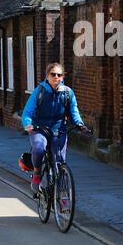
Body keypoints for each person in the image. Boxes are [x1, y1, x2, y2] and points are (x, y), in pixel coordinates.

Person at [22, 62, 85, 193]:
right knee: (39, 148)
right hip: (39, 129)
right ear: (47, 76)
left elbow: (74, 111)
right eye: (53, 74)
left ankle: (62, 196)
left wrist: (79, 123)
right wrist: (27, 124)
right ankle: (37, 173)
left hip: (59, 129)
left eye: (59, 74)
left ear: (62, 77)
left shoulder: (68, 93)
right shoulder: (39, 91)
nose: (56, 77)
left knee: (60, 162)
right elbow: (28, 111)